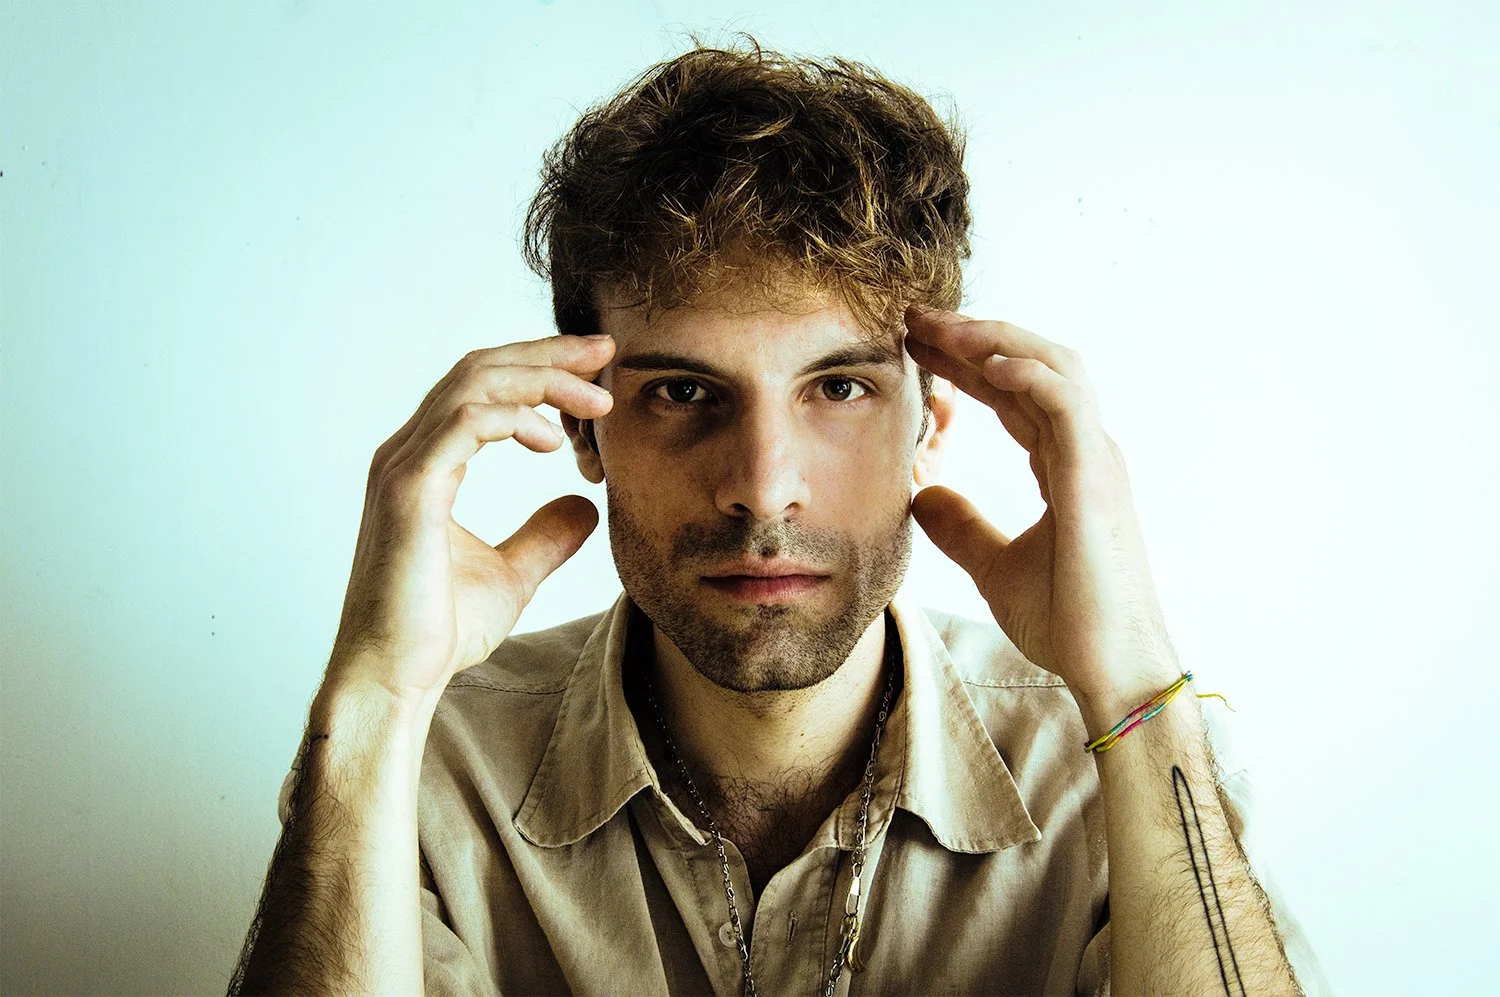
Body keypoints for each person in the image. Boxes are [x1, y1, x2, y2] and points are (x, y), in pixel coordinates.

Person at [229, 36, 1329, 997]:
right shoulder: (424, 763)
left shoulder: (1119, 755)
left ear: (930, 418)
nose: (763, 483)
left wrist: (1135, 683)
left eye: (840, 386)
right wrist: (374, 695)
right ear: (582, 430)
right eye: (682, 392)